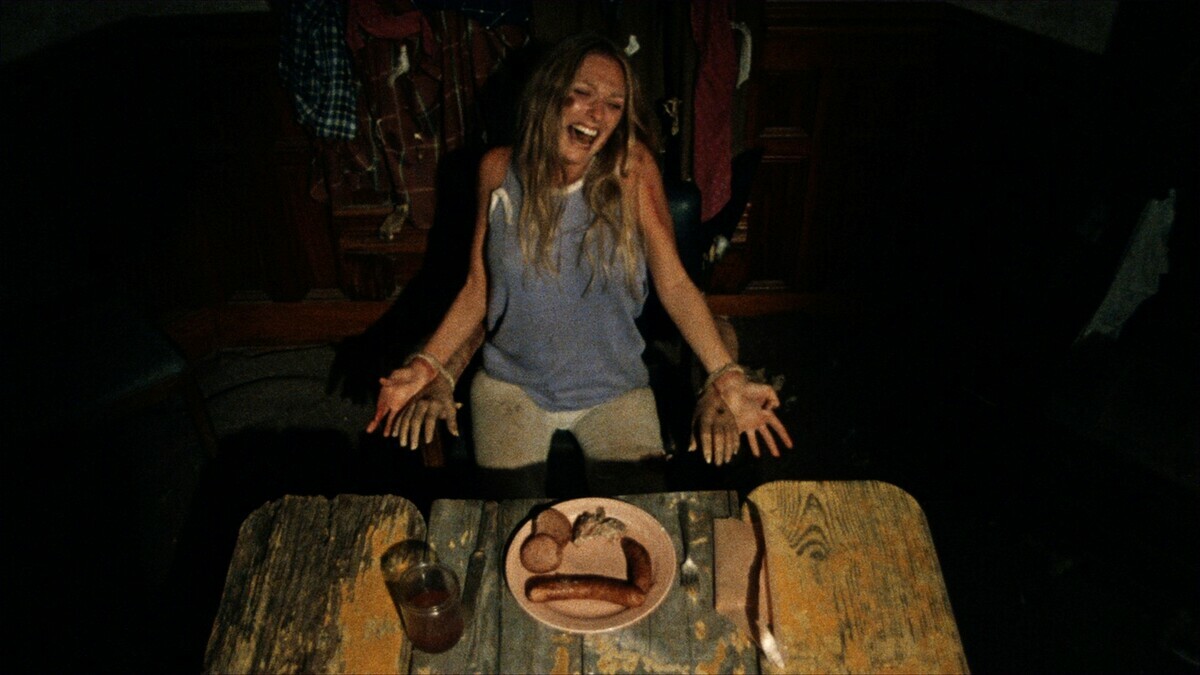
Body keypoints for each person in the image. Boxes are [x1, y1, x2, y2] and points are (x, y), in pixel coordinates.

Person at [366, 33, 791, 496]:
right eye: (583, 93)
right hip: (511, 386)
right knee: (511, 525)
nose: (597, 114)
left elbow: (675, 284)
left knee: (637, 521)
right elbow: (479, 288)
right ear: (548, 94)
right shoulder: (496, 170)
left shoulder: (631, 169)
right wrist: (427, 365)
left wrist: (727, 377)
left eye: (613, 104)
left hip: (615, 388)